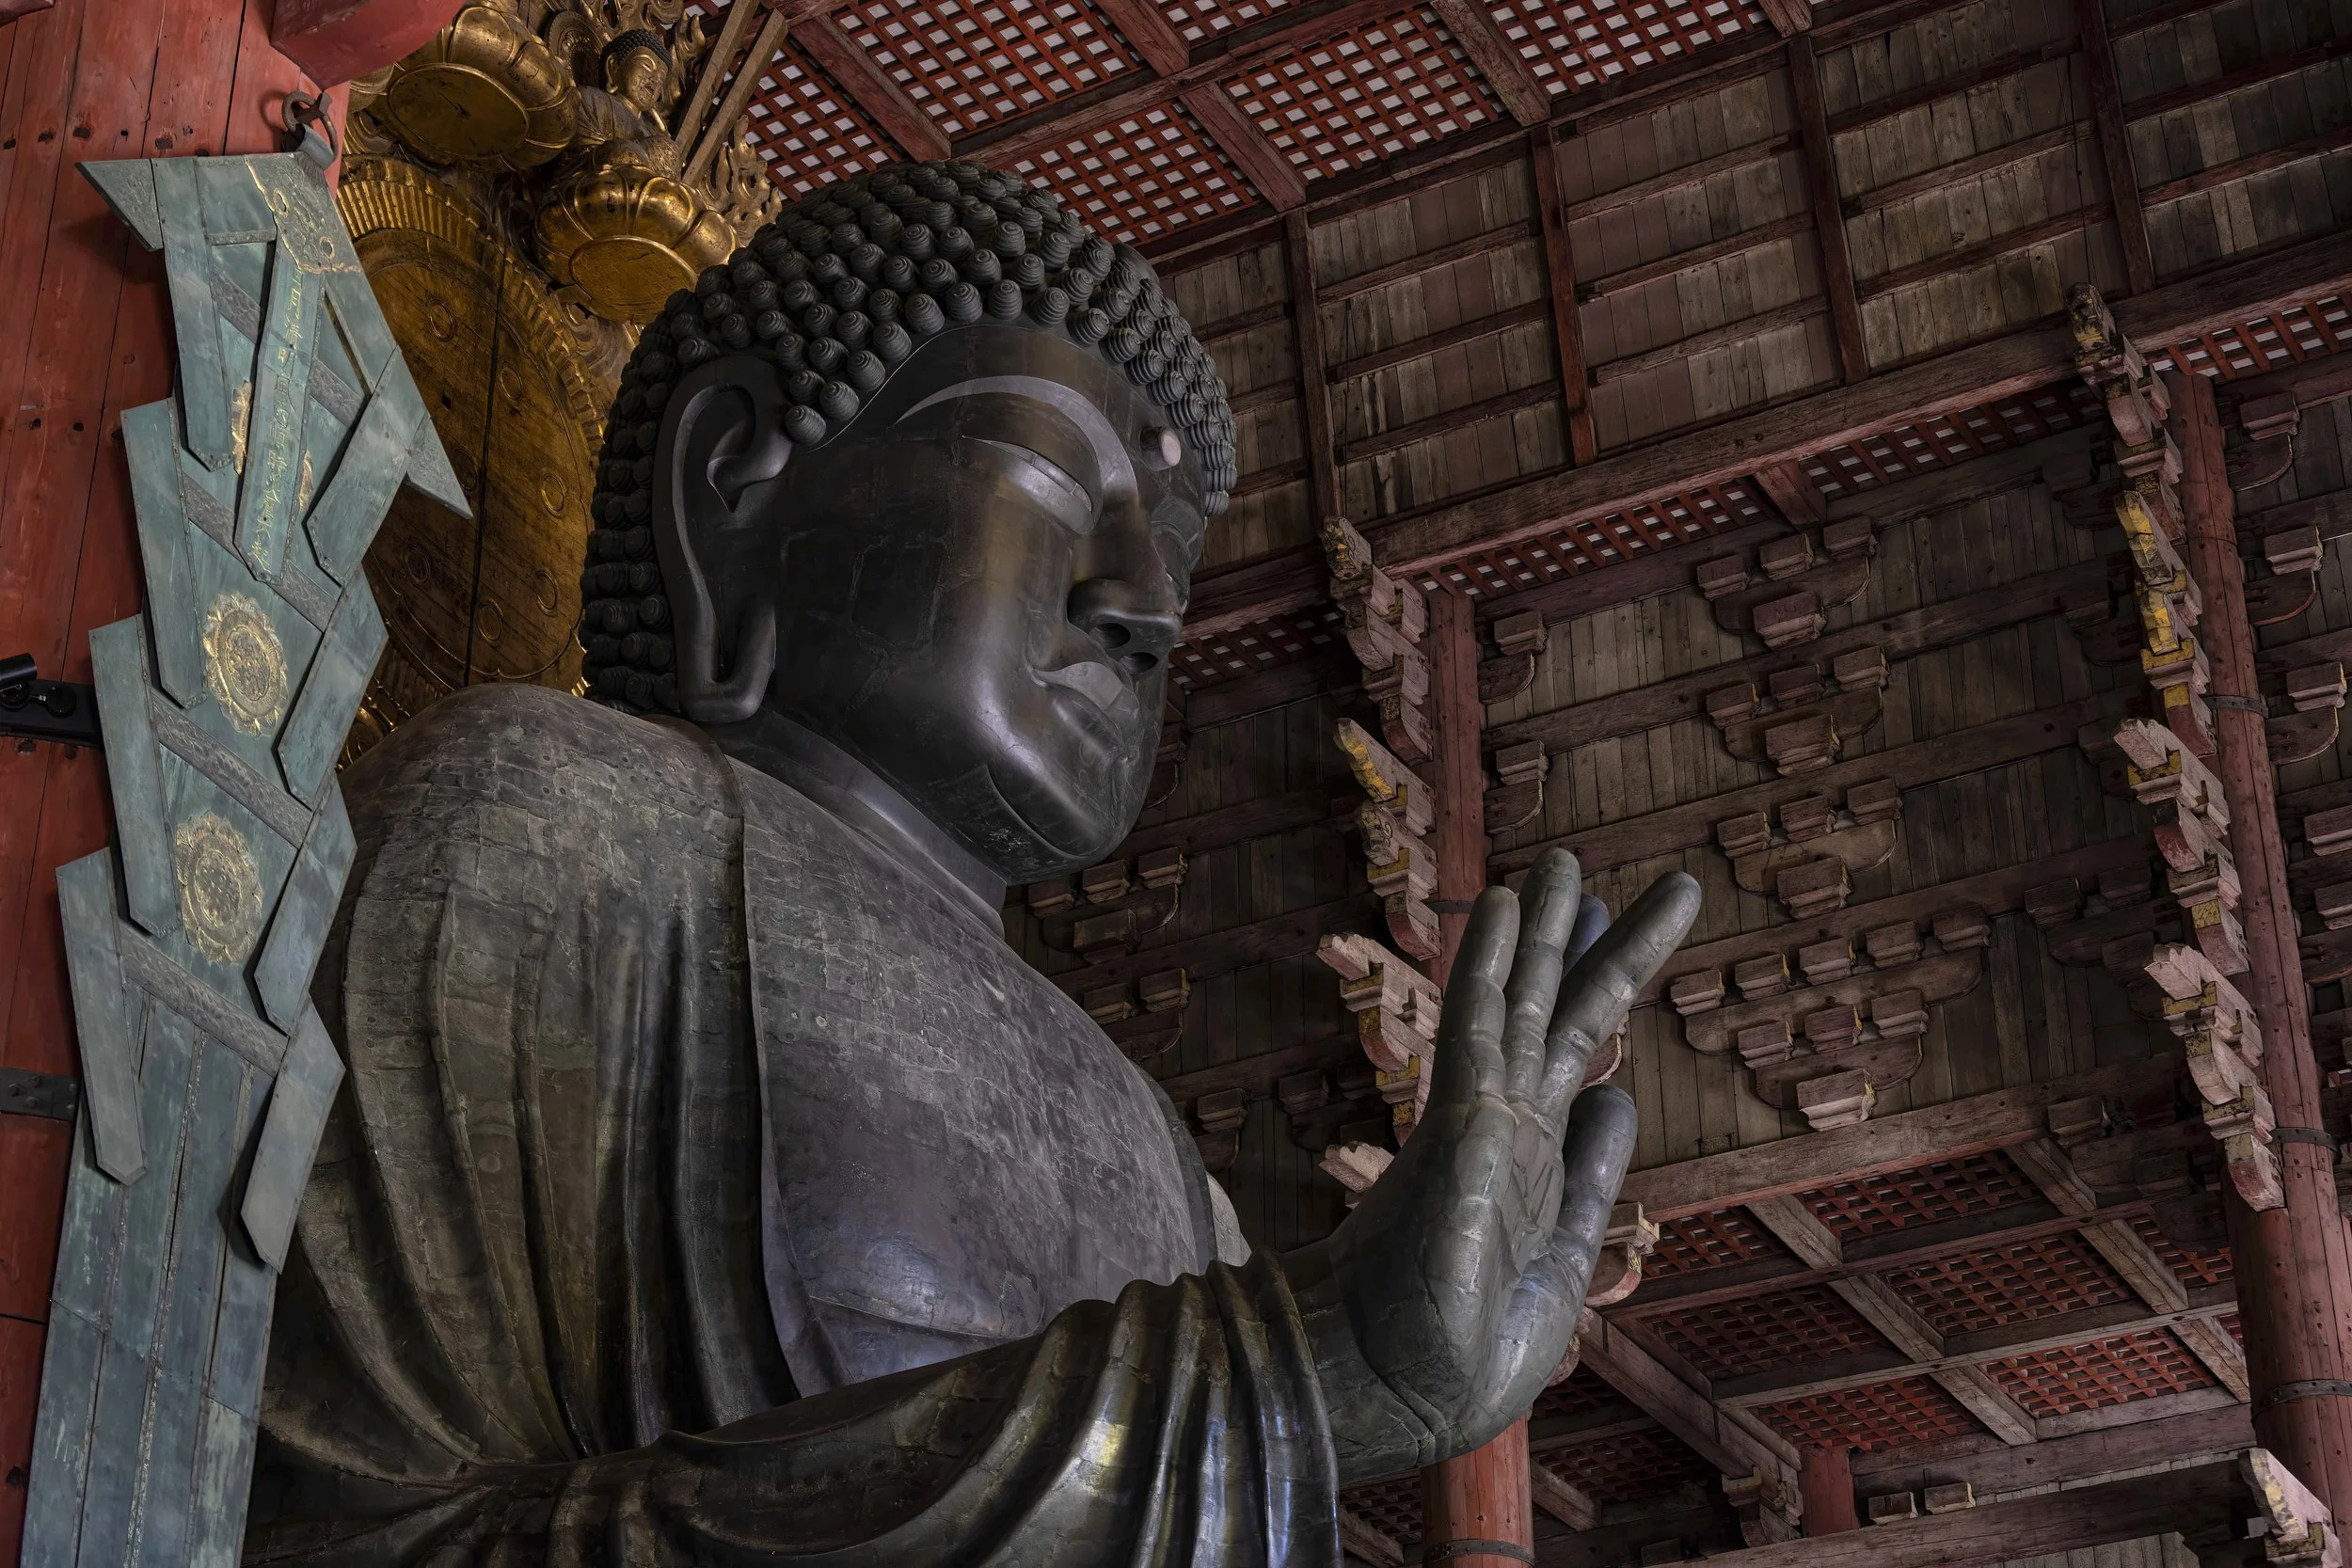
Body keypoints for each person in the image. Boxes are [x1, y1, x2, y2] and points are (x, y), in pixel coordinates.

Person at [244, 159, 1699, 1565]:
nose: (1147, 609)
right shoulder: (554, 821)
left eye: (1177, 563)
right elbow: (326, 1537)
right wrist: (1289, 1376)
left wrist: (1299, 1386)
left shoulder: (1155, 1149)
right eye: (1061, 482)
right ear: (732, 481)